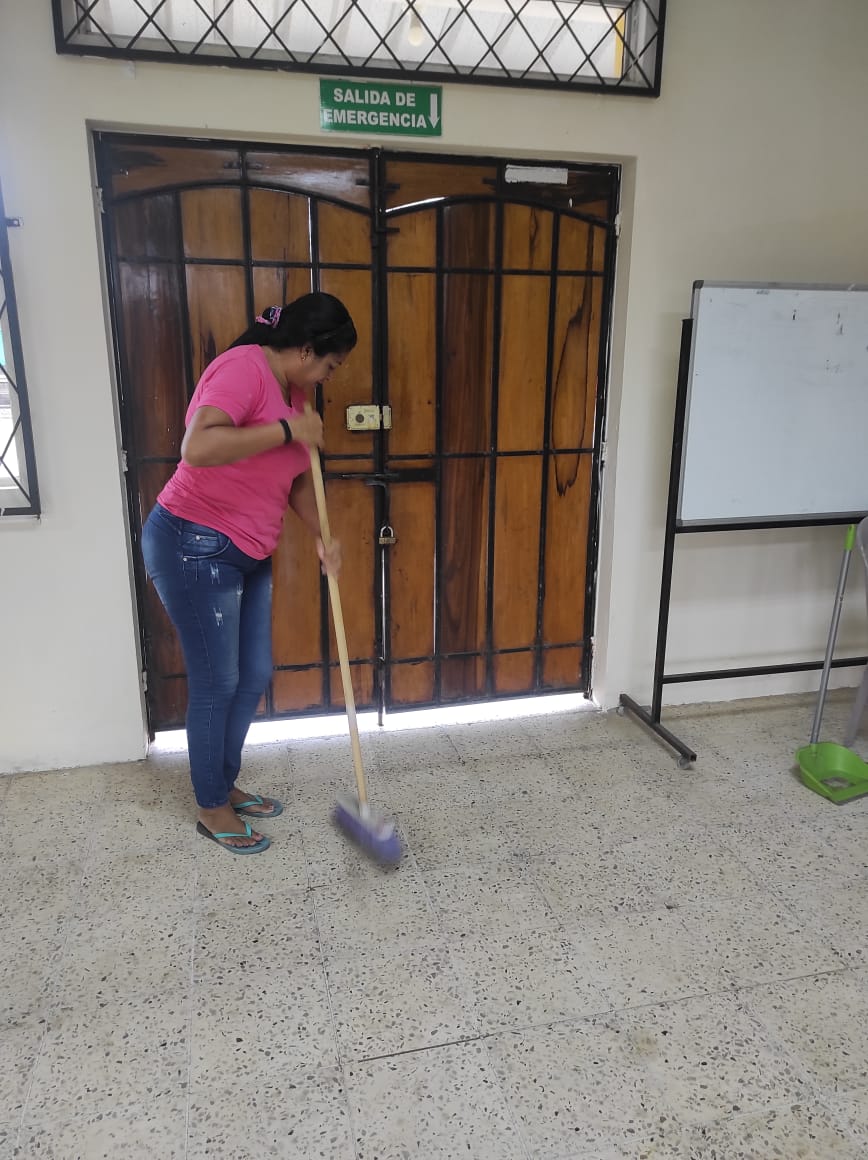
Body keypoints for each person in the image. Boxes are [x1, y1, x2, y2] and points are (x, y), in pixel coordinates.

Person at [141, 292, 357, 854]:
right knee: (218, 681)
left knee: (252, 674)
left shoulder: (295, 393)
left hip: (248, 548)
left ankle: (223, 781)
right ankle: (211, 805)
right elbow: (198, 446)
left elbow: (297, 478)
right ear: (306, 350)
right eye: (330, 365)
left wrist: (321, 534)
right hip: (193, 542)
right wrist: (288, 431)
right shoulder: (243, 370)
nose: (329, 377)